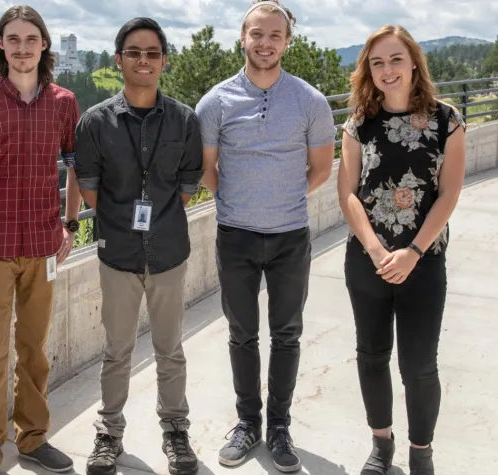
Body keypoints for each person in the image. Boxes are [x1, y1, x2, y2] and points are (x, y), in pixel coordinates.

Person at [195, 0, 336, 471]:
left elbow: (319, 170)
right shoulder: (215, 102)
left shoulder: (310, 101)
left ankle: (279, 427)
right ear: (243, 37)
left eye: (275, 35)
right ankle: (247, 423)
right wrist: (239, 203)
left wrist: (279, 201)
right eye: (257, 33)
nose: (265, 42)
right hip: (234, 235)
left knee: (287, 334)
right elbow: (207, 170)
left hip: (289, 237)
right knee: (241, 334)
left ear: (287, 42)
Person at [0, 5, 82, 475]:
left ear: (44, 45)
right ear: (0, 45)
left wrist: (69, 225)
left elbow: (74, 167)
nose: (22, 47)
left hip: (43, 247)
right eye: (13, 39)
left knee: (35, 351)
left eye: (31, 39)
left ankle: (33, 439)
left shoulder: (64, 103)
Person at [73, 17, 204, 475]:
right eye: (134, 52)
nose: (143, 60)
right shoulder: (95, 122)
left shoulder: (185, 120)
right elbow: (89, 187)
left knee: (170, 349)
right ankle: (109, 433)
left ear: (164, 61)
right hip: (118, 253)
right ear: (119, 60)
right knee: (117, 349)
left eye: (152, 53)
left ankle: (176, 432)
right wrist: (125, 220)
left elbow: (188, 185)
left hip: (169, 250)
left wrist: (155, 218)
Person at [337, 25, 465, 475]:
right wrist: (374, 250)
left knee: (419, 367)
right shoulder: (358, 123)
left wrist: (412, 251)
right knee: (371, 355)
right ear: (367, 71)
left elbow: (448, 193)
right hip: (366, 262)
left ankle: (420, 450)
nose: (387, 70)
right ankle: (381, 444)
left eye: (395, 60)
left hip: (423, 262)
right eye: (377, 62)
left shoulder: (446, 119)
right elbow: (348, 194)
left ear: (413, 62)